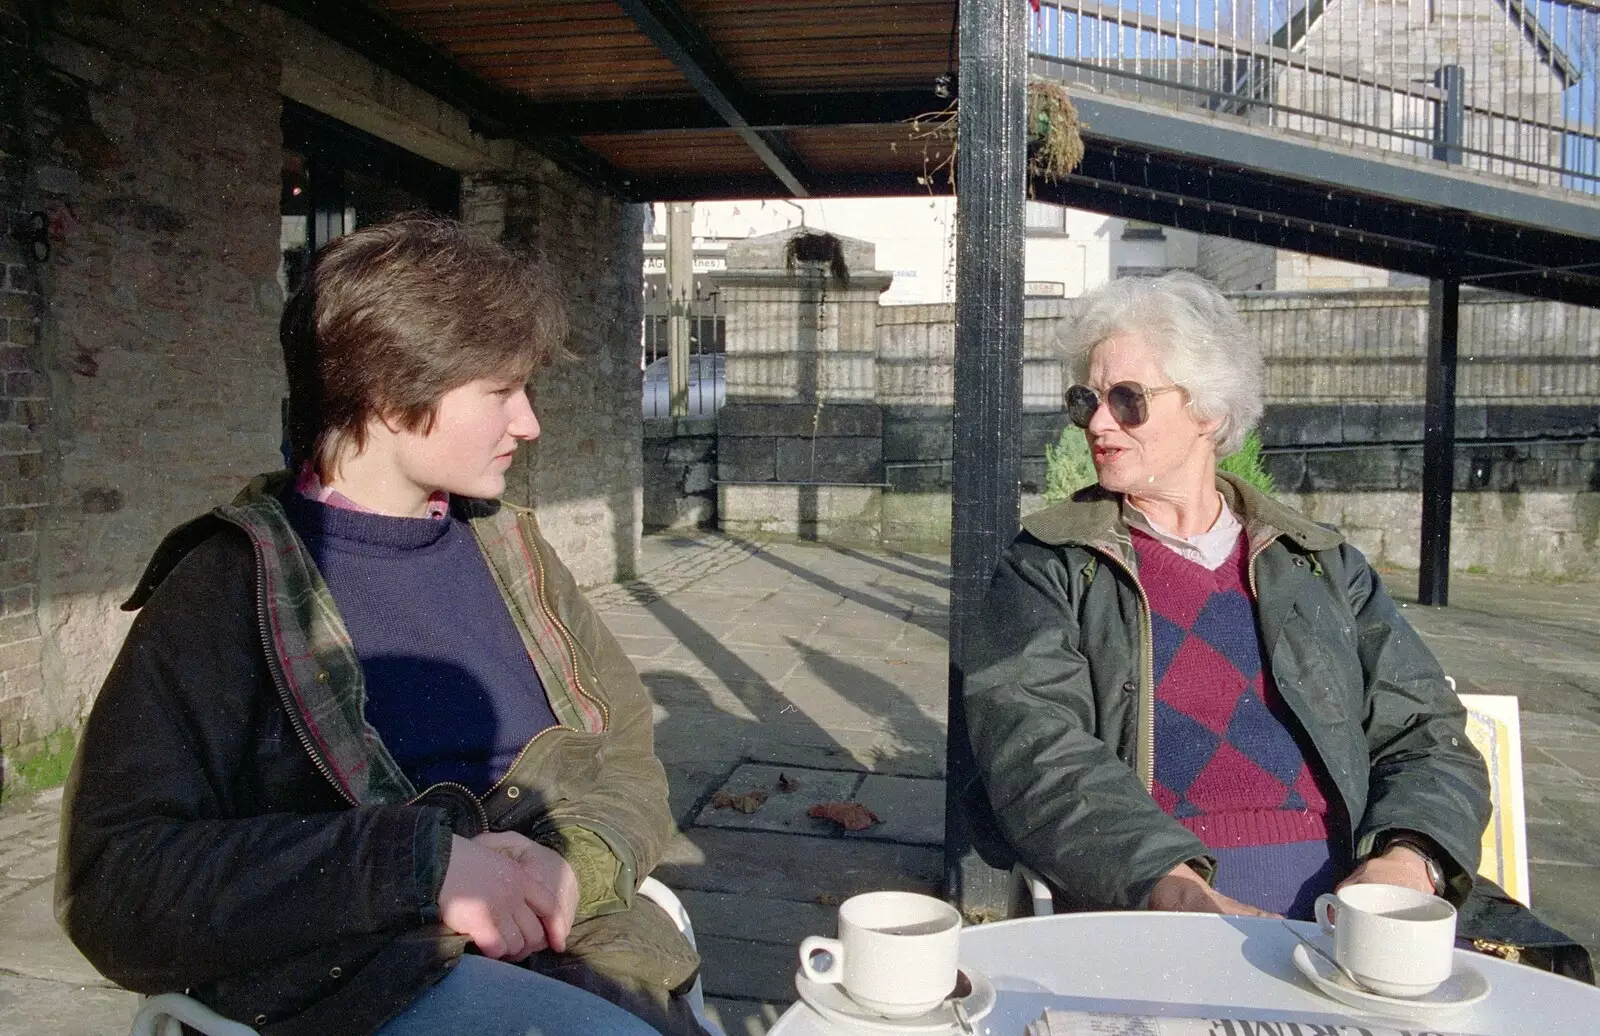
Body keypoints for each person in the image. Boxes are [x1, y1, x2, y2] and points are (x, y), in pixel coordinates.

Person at [56, 217, 708, 1035]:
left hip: (586, 950)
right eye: (501, 391)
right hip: (360, 986)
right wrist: (415, 867)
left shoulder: (516, 553)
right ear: (394, 395)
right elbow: (116, 884)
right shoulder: (225, 588)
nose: (530, 423)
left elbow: (626, 748)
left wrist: (576, 861)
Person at [962, 271, 1491, 920]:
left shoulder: (1320, 565)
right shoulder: (1052, 565)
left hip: (1352, 900)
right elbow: (1032, 748)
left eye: (1128, 399)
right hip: (1165, 900)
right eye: (1086, 399)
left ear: (1207, 413)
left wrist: (1408, 858)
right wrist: (1171, 883)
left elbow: (1427, 729)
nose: (1098, 422)